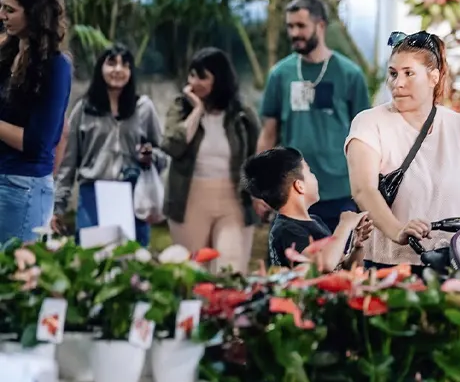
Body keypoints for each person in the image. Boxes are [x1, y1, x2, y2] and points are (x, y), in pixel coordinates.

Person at [345, 31, 460, 270]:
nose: (397, 83)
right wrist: (398, 231)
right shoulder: (369, 123)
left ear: (433, 77)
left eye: (408, 73)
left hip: (451, 264)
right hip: (390, 265)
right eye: (393, 74)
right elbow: (363, 190)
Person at [257, 0, 371, 228]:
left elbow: (366, 138)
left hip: (340, 192)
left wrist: (368, 189)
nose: (294, 33)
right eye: (290, 26)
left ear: (320, 25)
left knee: (342, 263)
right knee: (290, 263)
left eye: (301, 26)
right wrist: (261, 186)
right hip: (293, 191)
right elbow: (268, 133)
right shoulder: (280, 74)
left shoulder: (349, 74)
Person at [53, 44, 166, 246]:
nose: (118, 70)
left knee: (133, 267)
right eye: (111, 63)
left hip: (133, 196)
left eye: (125, 65)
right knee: (91, 264)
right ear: (101, 68)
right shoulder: (84, 109)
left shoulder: (144, 108)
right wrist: (58, 207)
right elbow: (68, 164)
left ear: (131, 72)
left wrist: (150, 156)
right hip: (92, 197)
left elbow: (163, 154)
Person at [163, 48, 260, 272]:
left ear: (219, 79)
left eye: (202, 77)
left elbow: (256, 156)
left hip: (233, 198)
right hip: (189, 198)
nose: (194, 82)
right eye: (191, 75)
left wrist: (260, 195)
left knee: (230, 271)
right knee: (193, 274)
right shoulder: (181, 107)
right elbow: (172, 146)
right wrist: (197, 110)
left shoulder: (242, 115)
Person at [0, 0, 72, 243]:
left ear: (34, 13)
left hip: (23, 188)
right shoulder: (7, 55)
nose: (2, 15)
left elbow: (37, 143)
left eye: (10, 9)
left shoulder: (56, 66)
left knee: (16, 280)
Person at [241, 146, 371, 269]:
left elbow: (344, 267)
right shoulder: (287, 230)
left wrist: (356, 246)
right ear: (299, 186)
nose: (315, 176)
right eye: (309, 171)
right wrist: (344, 225)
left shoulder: (315, 221)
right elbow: (324, 264)